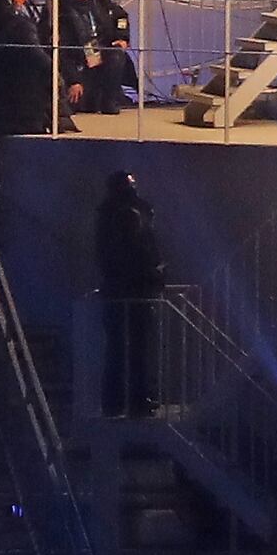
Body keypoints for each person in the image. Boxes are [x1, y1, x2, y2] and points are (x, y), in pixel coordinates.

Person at [96, 167, 167, 416]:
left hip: (121, 292)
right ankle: (133, 400)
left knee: (121, 348)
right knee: (132, 349)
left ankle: (117, 401)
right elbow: (139, 254)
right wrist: (153, 273)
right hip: (132, 293)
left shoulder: (107, 216)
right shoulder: (126, 215)